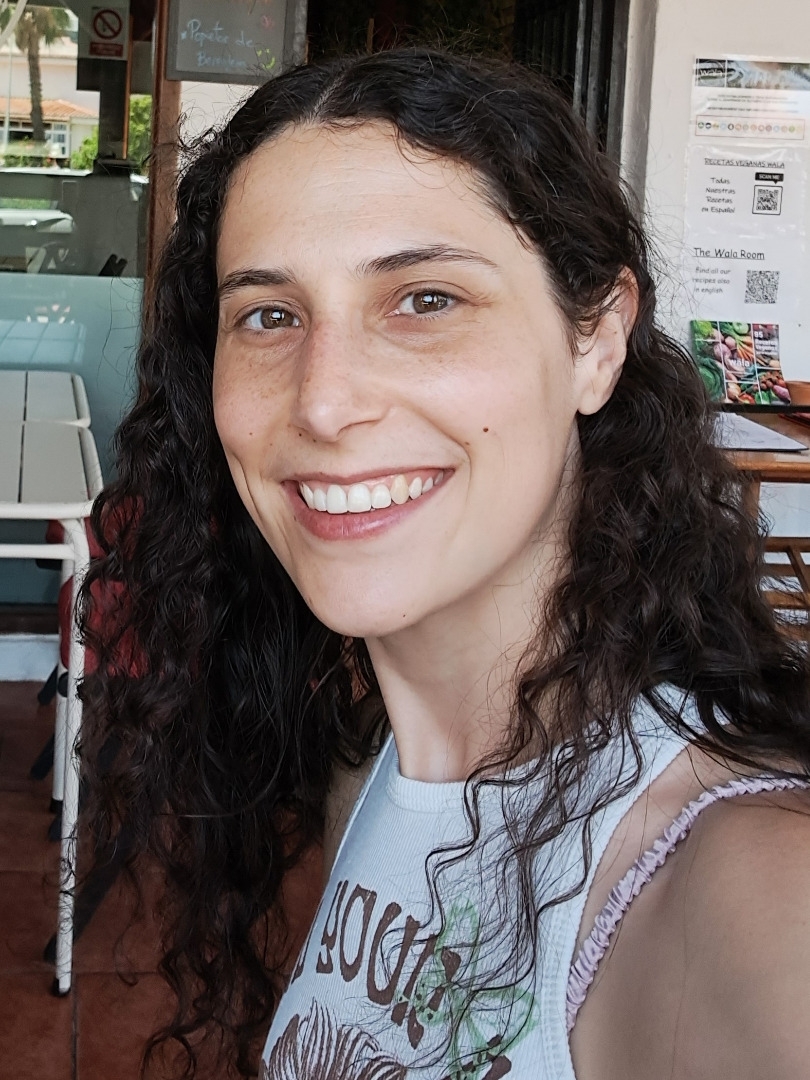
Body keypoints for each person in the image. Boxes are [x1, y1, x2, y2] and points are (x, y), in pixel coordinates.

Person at [81, 47, 810, 1080]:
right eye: (270, 315)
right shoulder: (373, 767)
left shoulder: (744, 882)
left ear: (597, 342)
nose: (324, 402)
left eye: (426, 300)